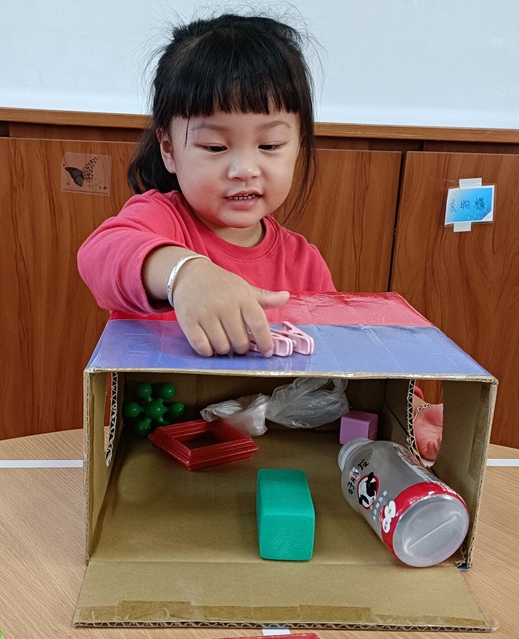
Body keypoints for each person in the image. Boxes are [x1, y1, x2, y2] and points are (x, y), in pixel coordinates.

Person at [77, 12, 442, 457]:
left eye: (270, 145)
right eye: (215, 146)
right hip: (153, 450)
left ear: (298, 146)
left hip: (265, 454)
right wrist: (183, 274)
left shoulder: (303, 261)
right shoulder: (159, 219)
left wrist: (410, 407)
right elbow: (99, 254)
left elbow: (343, 359)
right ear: (169, 149)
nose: (244, 168)